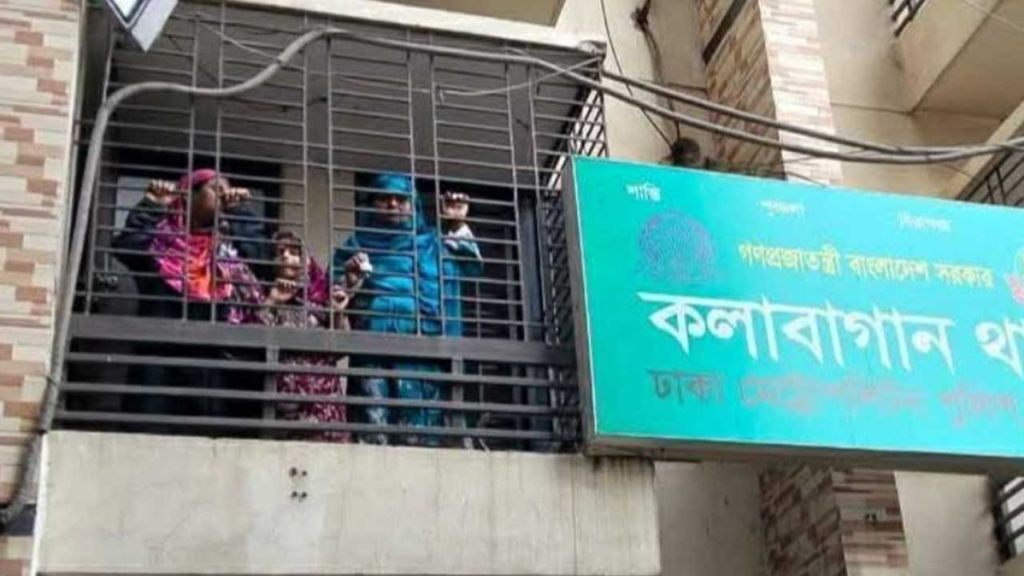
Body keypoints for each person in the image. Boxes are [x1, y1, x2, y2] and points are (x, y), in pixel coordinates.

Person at [333, 173, 482, 446]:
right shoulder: (356, 246)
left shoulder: (432, 244)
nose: (393, 204)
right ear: (372, 205)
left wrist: (456, 222)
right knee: (373, 433)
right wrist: (350, 284)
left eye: (401, 198)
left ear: (414, 205)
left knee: (420, 436)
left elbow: (471, 266)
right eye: (384, 198)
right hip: (372, 353)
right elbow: (333, 296)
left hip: (422, 354)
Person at [111, 169, 266, 420]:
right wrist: (152, 205)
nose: (224, 195)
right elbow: (128, 246)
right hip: (160, 363)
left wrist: (240, 212)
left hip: (213, 365)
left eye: (227, 191)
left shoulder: (227, 250)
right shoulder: (161, 243)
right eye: (216, 189)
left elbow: (261, 261)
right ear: (190, 196)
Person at [245, 231, 356, 442]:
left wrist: (337, 312)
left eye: (294, 252)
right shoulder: (263, 296)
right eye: (280, 252)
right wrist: (272, 301)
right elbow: (250, 344)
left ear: (305, 260)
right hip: (284, 408)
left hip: (324, 408)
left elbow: (341, 348)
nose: (286, 256)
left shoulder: (324, 297)